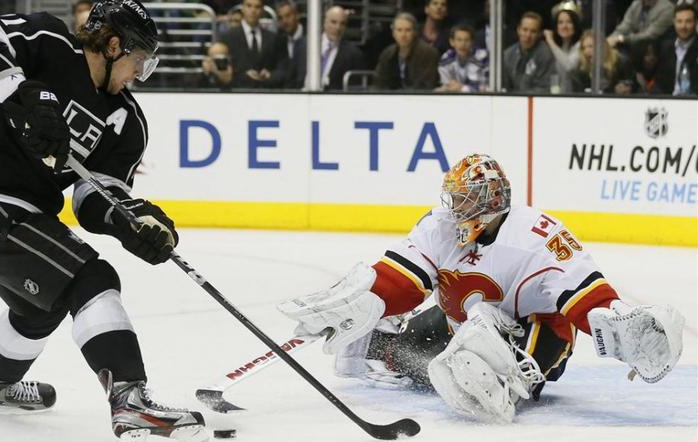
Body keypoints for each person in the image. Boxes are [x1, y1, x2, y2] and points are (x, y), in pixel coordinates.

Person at [0, 1, 207, 440]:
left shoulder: (126, 122)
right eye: (138, 60)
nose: (139, 73)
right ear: (114, 45)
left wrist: (130, 221)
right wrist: (21, 94)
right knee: (92, 278)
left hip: (20, 213)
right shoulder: (48, 41)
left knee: (41, 306)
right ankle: (130, 401)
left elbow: (93, 198)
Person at [278, 153, 685, 423]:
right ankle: (411, 346)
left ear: (489, 202)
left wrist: (617, 324)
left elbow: (588, 295)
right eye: (454, 197)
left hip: (535, 331)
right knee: (400, 349)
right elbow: (402, 279)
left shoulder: (538, 236)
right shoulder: (439, 226)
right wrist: (364, 301)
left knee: (480, 361)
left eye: (464, 199)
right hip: (459, 322)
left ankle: (511, 377)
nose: (454, 207)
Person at [218, 0, 288, 88]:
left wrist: (270, 75)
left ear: (262, 10)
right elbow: (223, 72)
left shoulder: (274, 39)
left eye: (257, 7)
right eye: (249, 6)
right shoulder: (228, 37)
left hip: (266, 93)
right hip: (237, 93)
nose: (253, 10)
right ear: (242, 8)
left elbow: (283, 68)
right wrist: (243, 76)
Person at [373, 12, 439, 91]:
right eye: (399, 30)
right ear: (393, 33)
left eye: (408, 30)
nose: (403, 34)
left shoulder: (428, 53)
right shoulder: (387, 53)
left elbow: (425, 85)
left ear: (414, 32)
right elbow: (379, 82)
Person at [502, 12, 556, 93]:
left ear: (539, 34)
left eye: (533, 31)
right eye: (525, 30)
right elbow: (504, 86)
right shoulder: (508, 54)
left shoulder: (545, 54)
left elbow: (544, 89)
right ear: (518, 30)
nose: (528, 35)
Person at [570, 29, 636, 94]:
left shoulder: (621, 63)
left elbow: (634, 87)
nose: (586, 51)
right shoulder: (582, 70)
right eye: (584, 48)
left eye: (590, 46)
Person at [654, 3, 698, 95]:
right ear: (674, 22)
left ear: (695, 23)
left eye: (688, 21)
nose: (683, 26)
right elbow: (659, 82)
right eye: (679, 21)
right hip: (668, 102)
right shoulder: (665, 48)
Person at [319, 5, 364, 91]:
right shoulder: (304, 46)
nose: (338, 27)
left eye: (342, 23)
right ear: (325, 22)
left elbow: (355, 89)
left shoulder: (354, 54)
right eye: (333, 22)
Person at [543, 1, 583, 93]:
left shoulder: (580, 44)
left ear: (575, 24)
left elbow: (569, 66)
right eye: (560, 22)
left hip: (578, 96)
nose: (564, 26)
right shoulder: (557, 46)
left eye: (569, 22)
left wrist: (550, 41)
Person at [436, 24, 489, 92]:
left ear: (472, 42)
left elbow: (484, 88)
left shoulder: (482, 57)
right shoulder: (446, 58)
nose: (463, 44)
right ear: (452, 42)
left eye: (467, 40)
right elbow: (447, 86)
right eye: (459, 40)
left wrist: (462, 88)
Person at [607, 0, 675, 51]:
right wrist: (609, 41)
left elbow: (649, 36)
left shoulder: (667, 9)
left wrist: (622, 39)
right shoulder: (636, 4)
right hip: (634, 46)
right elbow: (624, 27)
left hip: (656, 48)